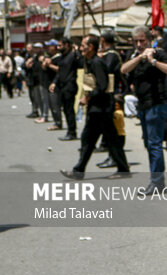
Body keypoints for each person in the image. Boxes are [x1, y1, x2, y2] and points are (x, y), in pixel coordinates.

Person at [59, 35, 130, 180]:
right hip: (97, 109)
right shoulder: (89, 62)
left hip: (101, 109)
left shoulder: (97, 63)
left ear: (91, 47)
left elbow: (103, 85)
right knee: (94, 140)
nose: (81, 48)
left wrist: (88, 96)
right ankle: (80, 170)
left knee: (98, 140)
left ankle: (80, 170)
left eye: (83, 45)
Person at [120, 26, 167, 195]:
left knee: (154, 144)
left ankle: (157, 182)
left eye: (142, 41)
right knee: (148, 143)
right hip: (143, 105)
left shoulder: (158, 53)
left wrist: (153, 60)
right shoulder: (135, 55)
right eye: (136, 41)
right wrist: (140, 57)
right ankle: (157, 179)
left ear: (148, 39)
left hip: (156, 104)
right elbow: (124, 69)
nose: (139, 44)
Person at [96, 29, 125, 169]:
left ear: (102, 39)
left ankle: (115, 158)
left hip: (114, 95)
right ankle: (112, 156)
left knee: (116, 129)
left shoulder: (111, 55)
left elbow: (106, 72)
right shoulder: (109, 54)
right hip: (111, 95)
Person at [50, 38, 81, 141]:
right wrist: (54, 82)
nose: (58, 48)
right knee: (66, 110)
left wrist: (77, 51)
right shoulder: (62, 57)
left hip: (70, 86)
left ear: (66, 45)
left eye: (60, 45)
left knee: (69, 110)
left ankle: (72, 132)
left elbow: (80, 62)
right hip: (62, 86)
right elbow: (60, 72)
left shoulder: (73, 56)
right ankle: (70, 131)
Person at [40, 40, 63, 131]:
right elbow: (44, 68)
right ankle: (56, 121)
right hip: (48, 84)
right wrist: (45, 64)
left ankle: (58, 123)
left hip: (55, 84)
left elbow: (59, 70)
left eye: (50, 46)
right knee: (51, 104)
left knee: (55, 105)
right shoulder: (50, 57)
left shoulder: (59, 58)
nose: (49, 48)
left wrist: (50, 64)